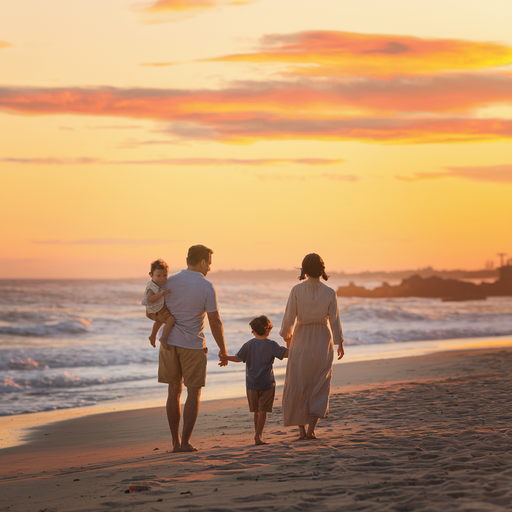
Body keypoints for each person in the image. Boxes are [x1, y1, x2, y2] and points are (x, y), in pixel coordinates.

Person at [159, 245, 228, 452]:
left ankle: (175, 443)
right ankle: (186, 442)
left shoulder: (168, 281)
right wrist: (222, 349)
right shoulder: (206, 286)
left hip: (169, 343)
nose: (210, 268)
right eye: (209, 264)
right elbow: (215, 322)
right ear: (203, 262)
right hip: (193, 346)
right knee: (193, 392)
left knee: (173, 391)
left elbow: (157, 310)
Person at [280, 253, 344, 440]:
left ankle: (301, 431)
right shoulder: (330, 292)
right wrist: (339, 342)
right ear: (322, 269)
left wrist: (287, 336)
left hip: (301, 339)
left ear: (304, 269)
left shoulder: (297, 290)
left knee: (298, 385)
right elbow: (335, 321)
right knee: (320, 384)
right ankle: (311, 431)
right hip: (323, 341)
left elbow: (288, 317)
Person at [220, 315, 288, 445]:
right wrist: (299, 348)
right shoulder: (271, 345)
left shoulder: (249, 344)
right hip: (267, 383)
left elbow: (238, 358)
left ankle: (257, 435)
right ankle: (258, 436)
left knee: (256, 411)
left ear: (253, 331)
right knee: (263, 411)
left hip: (251, 384)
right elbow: (286, 353)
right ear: (268, 330)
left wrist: (225, 357)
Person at [142, 259, 176, 348]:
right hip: (154, 310)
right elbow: (150, 299)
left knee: (160, 321)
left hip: (157, 308)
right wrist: (162, 293)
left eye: (165, 275)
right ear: (151, 275)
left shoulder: (157, 283)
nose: (162, 278)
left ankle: (152, 336)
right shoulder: (151, 287)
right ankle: (163, 338)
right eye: (158, 276)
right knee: (171, 320)